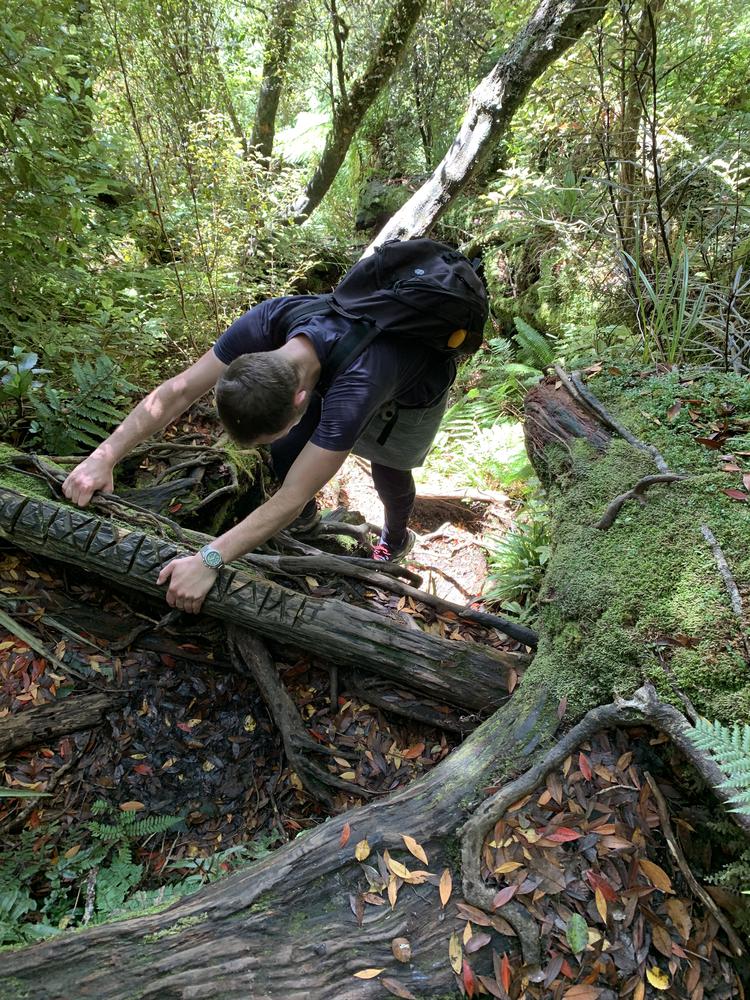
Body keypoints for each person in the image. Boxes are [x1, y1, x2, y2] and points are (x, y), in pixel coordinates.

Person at [62, 295, 457, 614]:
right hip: (341, 364)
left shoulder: (353, 392)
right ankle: (305, 526)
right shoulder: (267, 320)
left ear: (301, 400)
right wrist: (103, 456)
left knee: (389, 468)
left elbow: (292, 494)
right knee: (287, 452)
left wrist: (210, 560)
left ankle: (396, 535)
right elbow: (180, 390)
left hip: (413, 389)